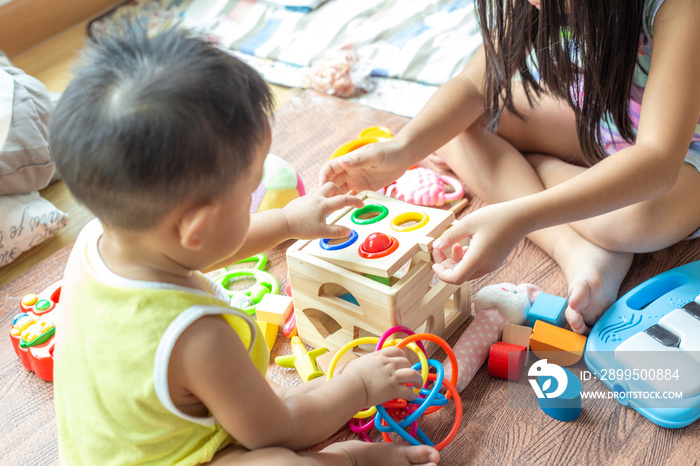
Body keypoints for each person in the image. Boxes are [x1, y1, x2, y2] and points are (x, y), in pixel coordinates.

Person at [50, 22, 440, 466]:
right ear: (195, 227)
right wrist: (360, 389)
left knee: (306, 394)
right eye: (250, 193)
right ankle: (350, 459)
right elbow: (274, 431)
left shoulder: (103, 237)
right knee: (280, 456)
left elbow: (210, 246)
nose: (257, 199)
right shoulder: (198, 337)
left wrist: (287, 221)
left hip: (119, 445)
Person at [321, 0, 700, 335]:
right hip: (602, 126)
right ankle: (573, 248)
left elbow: (656, 160)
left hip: (681, 158)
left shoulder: (680, 8)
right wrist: (401, 150)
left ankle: (544, 176)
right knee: (459, 126)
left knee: (634, 219)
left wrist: (518, 217)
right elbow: (475, 86)